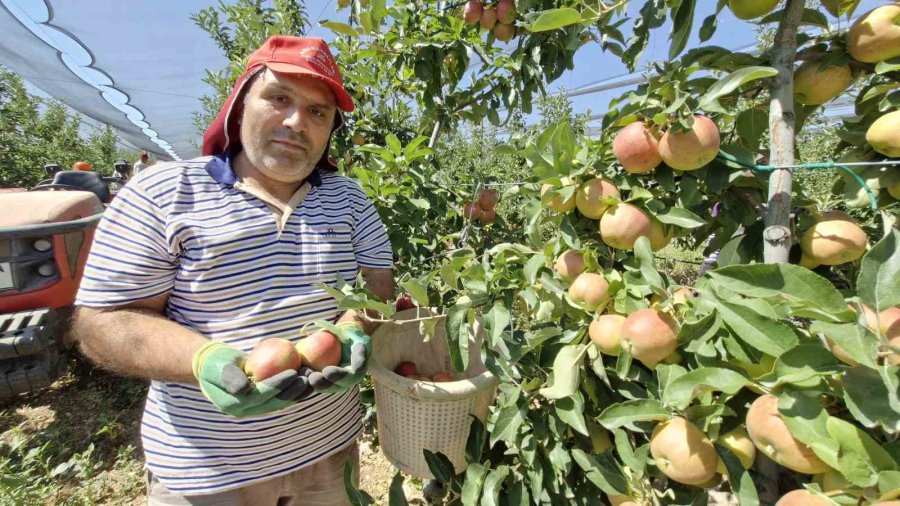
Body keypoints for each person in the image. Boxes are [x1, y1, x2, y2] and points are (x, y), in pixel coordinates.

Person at [72, 36, 394, 505]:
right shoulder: (163, 193)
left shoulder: (350, 200)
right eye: (279, 98)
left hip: (329, 455)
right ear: (241, 105)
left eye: (317, 111)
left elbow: (378, 286)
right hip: (206, 473)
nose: (296, 122)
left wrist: (353, 327)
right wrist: (203, 361)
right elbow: (102, 321)